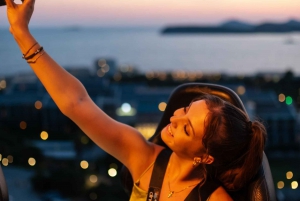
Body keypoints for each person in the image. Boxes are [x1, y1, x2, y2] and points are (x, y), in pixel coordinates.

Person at [5, 0, 267, 200]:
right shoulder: (143, 158)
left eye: (187, 128)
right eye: (186, 109)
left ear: (206, 157)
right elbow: (76, 103)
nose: (175, 117)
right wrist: (21, 33)